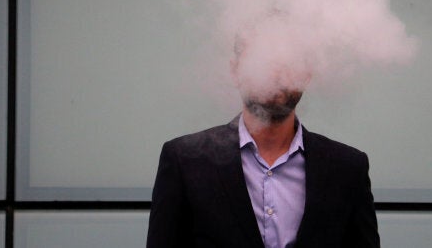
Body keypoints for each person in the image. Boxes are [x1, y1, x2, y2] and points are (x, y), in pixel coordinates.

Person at [147, 39, 380, 248]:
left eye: (288, 62)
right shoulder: (184, 160)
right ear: (235, 71)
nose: (275, 74)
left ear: (307, 74)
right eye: (262, 60)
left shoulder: (348, 168)